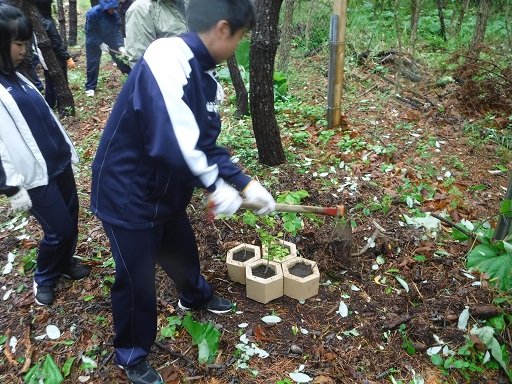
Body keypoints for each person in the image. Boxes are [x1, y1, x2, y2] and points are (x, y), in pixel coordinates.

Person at [90, 0, 274, 382]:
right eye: (239, 38)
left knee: (181, 249)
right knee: (136, 277)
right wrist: (212, 183)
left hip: (166, 193)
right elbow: (169, 137)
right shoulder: (166, 56)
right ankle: (131, 353)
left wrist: (244, 183)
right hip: (128, 194)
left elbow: (205, 144)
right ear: (222, 29)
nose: (237, 47)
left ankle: (194, 296)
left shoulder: (206, 81)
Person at [0, 3, 90, 306]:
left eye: (26, 44)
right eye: (19, 44)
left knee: (71, 218)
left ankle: (63, 264)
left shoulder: (17, 77)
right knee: (58, 229)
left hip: (56, 163)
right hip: (33, 176)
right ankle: (44, 276)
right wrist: (11, 186)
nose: (25, 50)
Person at [35, 0, 75, 112]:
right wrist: (67, 57)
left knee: (49, 81)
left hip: (43, 58)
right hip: (55, 59)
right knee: (60, 83)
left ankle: (49, 105)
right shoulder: (47, 23)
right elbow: (57, 44)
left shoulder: (36, 21)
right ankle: (63, 108)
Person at [84, 0, 129, 97]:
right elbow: (90, 32)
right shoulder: (93, 13)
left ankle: (130, 77)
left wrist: (120, 46)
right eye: (110, 7)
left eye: (114, 7)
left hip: (109, 38)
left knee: (120, 59)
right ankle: (90, 87)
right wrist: (100, 43)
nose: (112, 9)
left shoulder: (114, 15)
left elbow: (116, 31)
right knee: (92, 63)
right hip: (93, 40)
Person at [124, 0, 186, 67]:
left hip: (193, 69)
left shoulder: (183, 3)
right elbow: (140, 60)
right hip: (171, 73)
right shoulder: (141, 9)